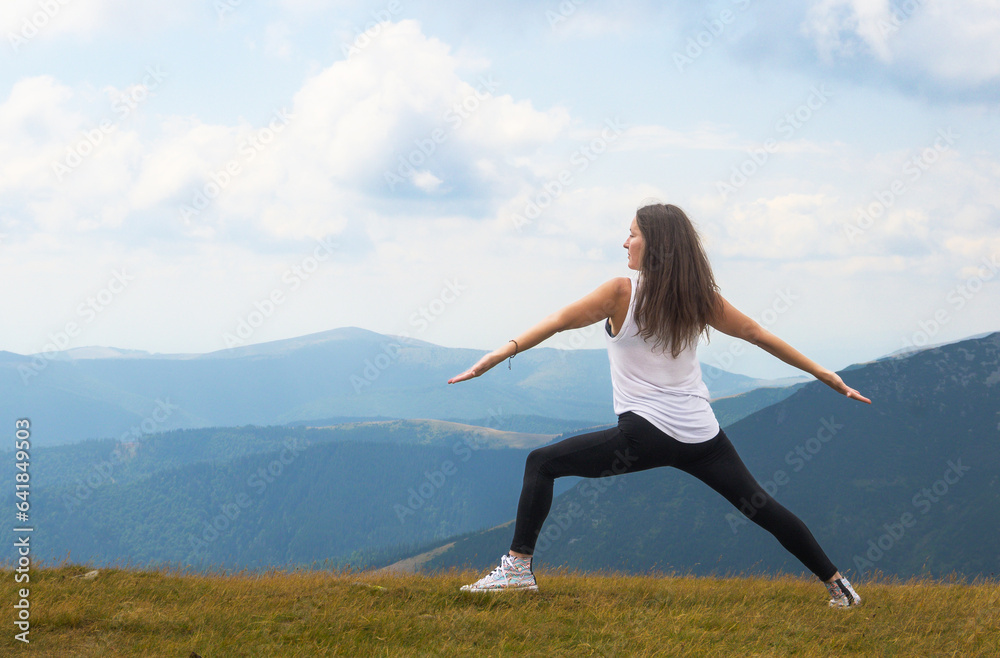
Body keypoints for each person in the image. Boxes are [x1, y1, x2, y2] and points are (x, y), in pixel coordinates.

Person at [447, 203, 870, 607]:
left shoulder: (620, 291)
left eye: (631, 234)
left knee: (541, 463)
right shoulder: (698, 297)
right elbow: (758, 334)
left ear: (655, 244)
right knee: (761, 506)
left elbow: (559, 322)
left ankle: (518, 571)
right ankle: (839, 587)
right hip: (703, 436)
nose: (624, 243)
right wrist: (826, 375)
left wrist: (495, 357)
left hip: (645, 435)